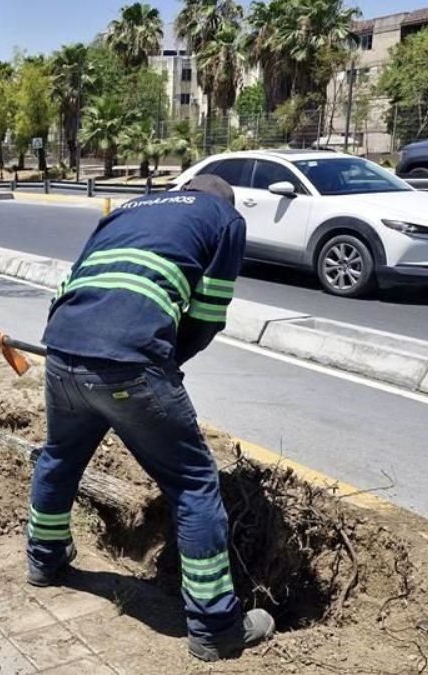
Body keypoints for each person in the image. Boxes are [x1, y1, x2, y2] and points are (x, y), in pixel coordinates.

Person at [26, 175, 274, 662]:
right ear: (223, 200)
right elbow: (207, 313)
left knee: (60, 456)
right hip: (130, 363)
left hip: (62, 348)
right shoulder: (225, 219)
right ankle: (216, 626)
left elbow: (68, 285)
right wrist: (166, 364)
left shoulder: (126, 209)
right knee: (195, 484)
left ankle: (44, 561)